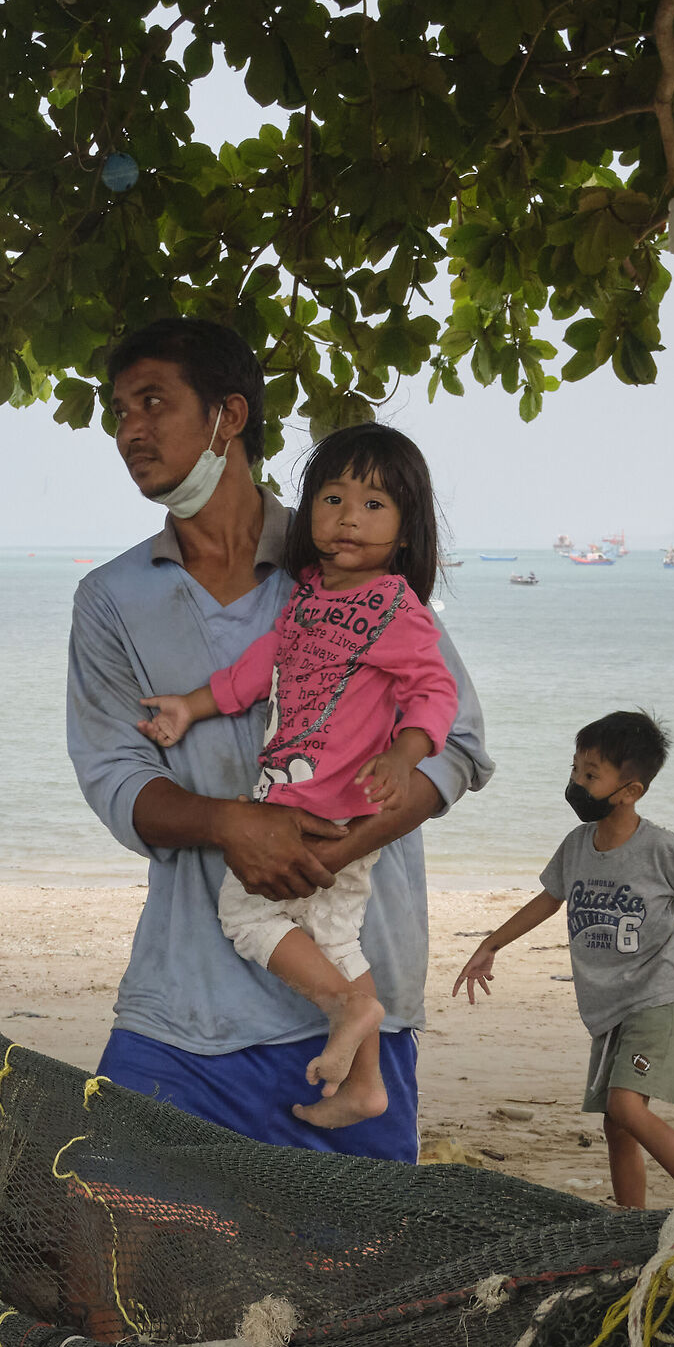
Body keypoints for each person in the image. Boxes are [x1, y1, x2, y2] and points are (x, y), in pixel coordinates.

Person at [65, 317, 491, 1162]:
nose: (130, 430)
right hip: (182, 1005)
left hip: (358, 994)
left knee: (349, 1247)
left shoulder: (353, 566)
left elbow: (458, 745)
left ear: (228, 416)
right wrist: (232, 823)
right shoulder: (110, 598)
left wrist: (337, 849)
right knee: (110, 1221)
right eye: (119, 411)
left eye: (153, 402)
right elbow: (113, 774)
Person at [135, 425, 458, 1128]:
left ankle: (346, 1006)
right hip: (304, 799)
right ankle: (366, 1083)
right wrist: (189, 707)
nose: (348, 517)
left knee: (245, 914)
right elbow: (256, 673)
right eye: (333, 499)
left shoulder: (397, 609)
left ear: (406, 531)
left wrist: (403, 756)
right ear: (308, 511)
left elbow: (436, 693)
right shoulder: (309, 600)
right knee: (336, 936)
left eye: (374, 505)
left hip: (334, 807)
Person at [452, 711, 674, 1208]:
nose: (577, 783)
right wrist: (491, 944)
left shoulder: (658, 847)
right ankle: (630, 1222)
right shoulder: (577, 845)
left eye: (591, 775)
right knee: (616, 1124)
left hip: (659, 998)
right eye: (575, 769)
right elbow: (549, 899)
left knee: (627, 1108)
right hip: (610, 1009)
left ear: (631, 791)